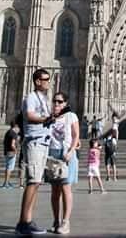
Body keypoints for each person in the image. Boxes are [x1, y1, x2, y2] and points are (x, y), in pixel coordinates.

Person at [15, 68, 52, 236]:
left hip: (43, 142)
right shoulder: (31, 97)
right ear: (37, 81)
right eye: (46, 79)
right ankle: (24, 222)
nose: (48, 82)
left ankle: (28, 220)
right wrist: (46, 118)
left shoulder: (43, 99)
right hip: (34, 142)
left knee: (36, 182)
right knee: (33, 181)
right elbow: (29, 115)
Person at [48, 91, 80, 235]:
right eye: (55, 101)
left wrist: (72, 150)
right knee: (55, 191)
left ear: (65, 103)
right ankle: (56, 220)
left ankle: (65, 222)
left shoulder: (71, 116)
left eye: (60, 101)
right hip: (52, 155)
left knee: (66, 188)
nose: (56, 104)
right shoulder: (50, 118)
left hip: (66, 154)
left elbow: (76, 135)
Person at [2, 119, 20, 188]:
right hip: (11, 152)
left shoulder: (8, 132)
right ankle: (6, 183)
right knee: (9, 168)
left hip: (6, 151)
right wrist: (16, 150)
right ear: (15, 126)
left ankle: (7, 181)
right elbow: (12, 144)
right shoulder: (14, 134)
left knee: (8, 167)